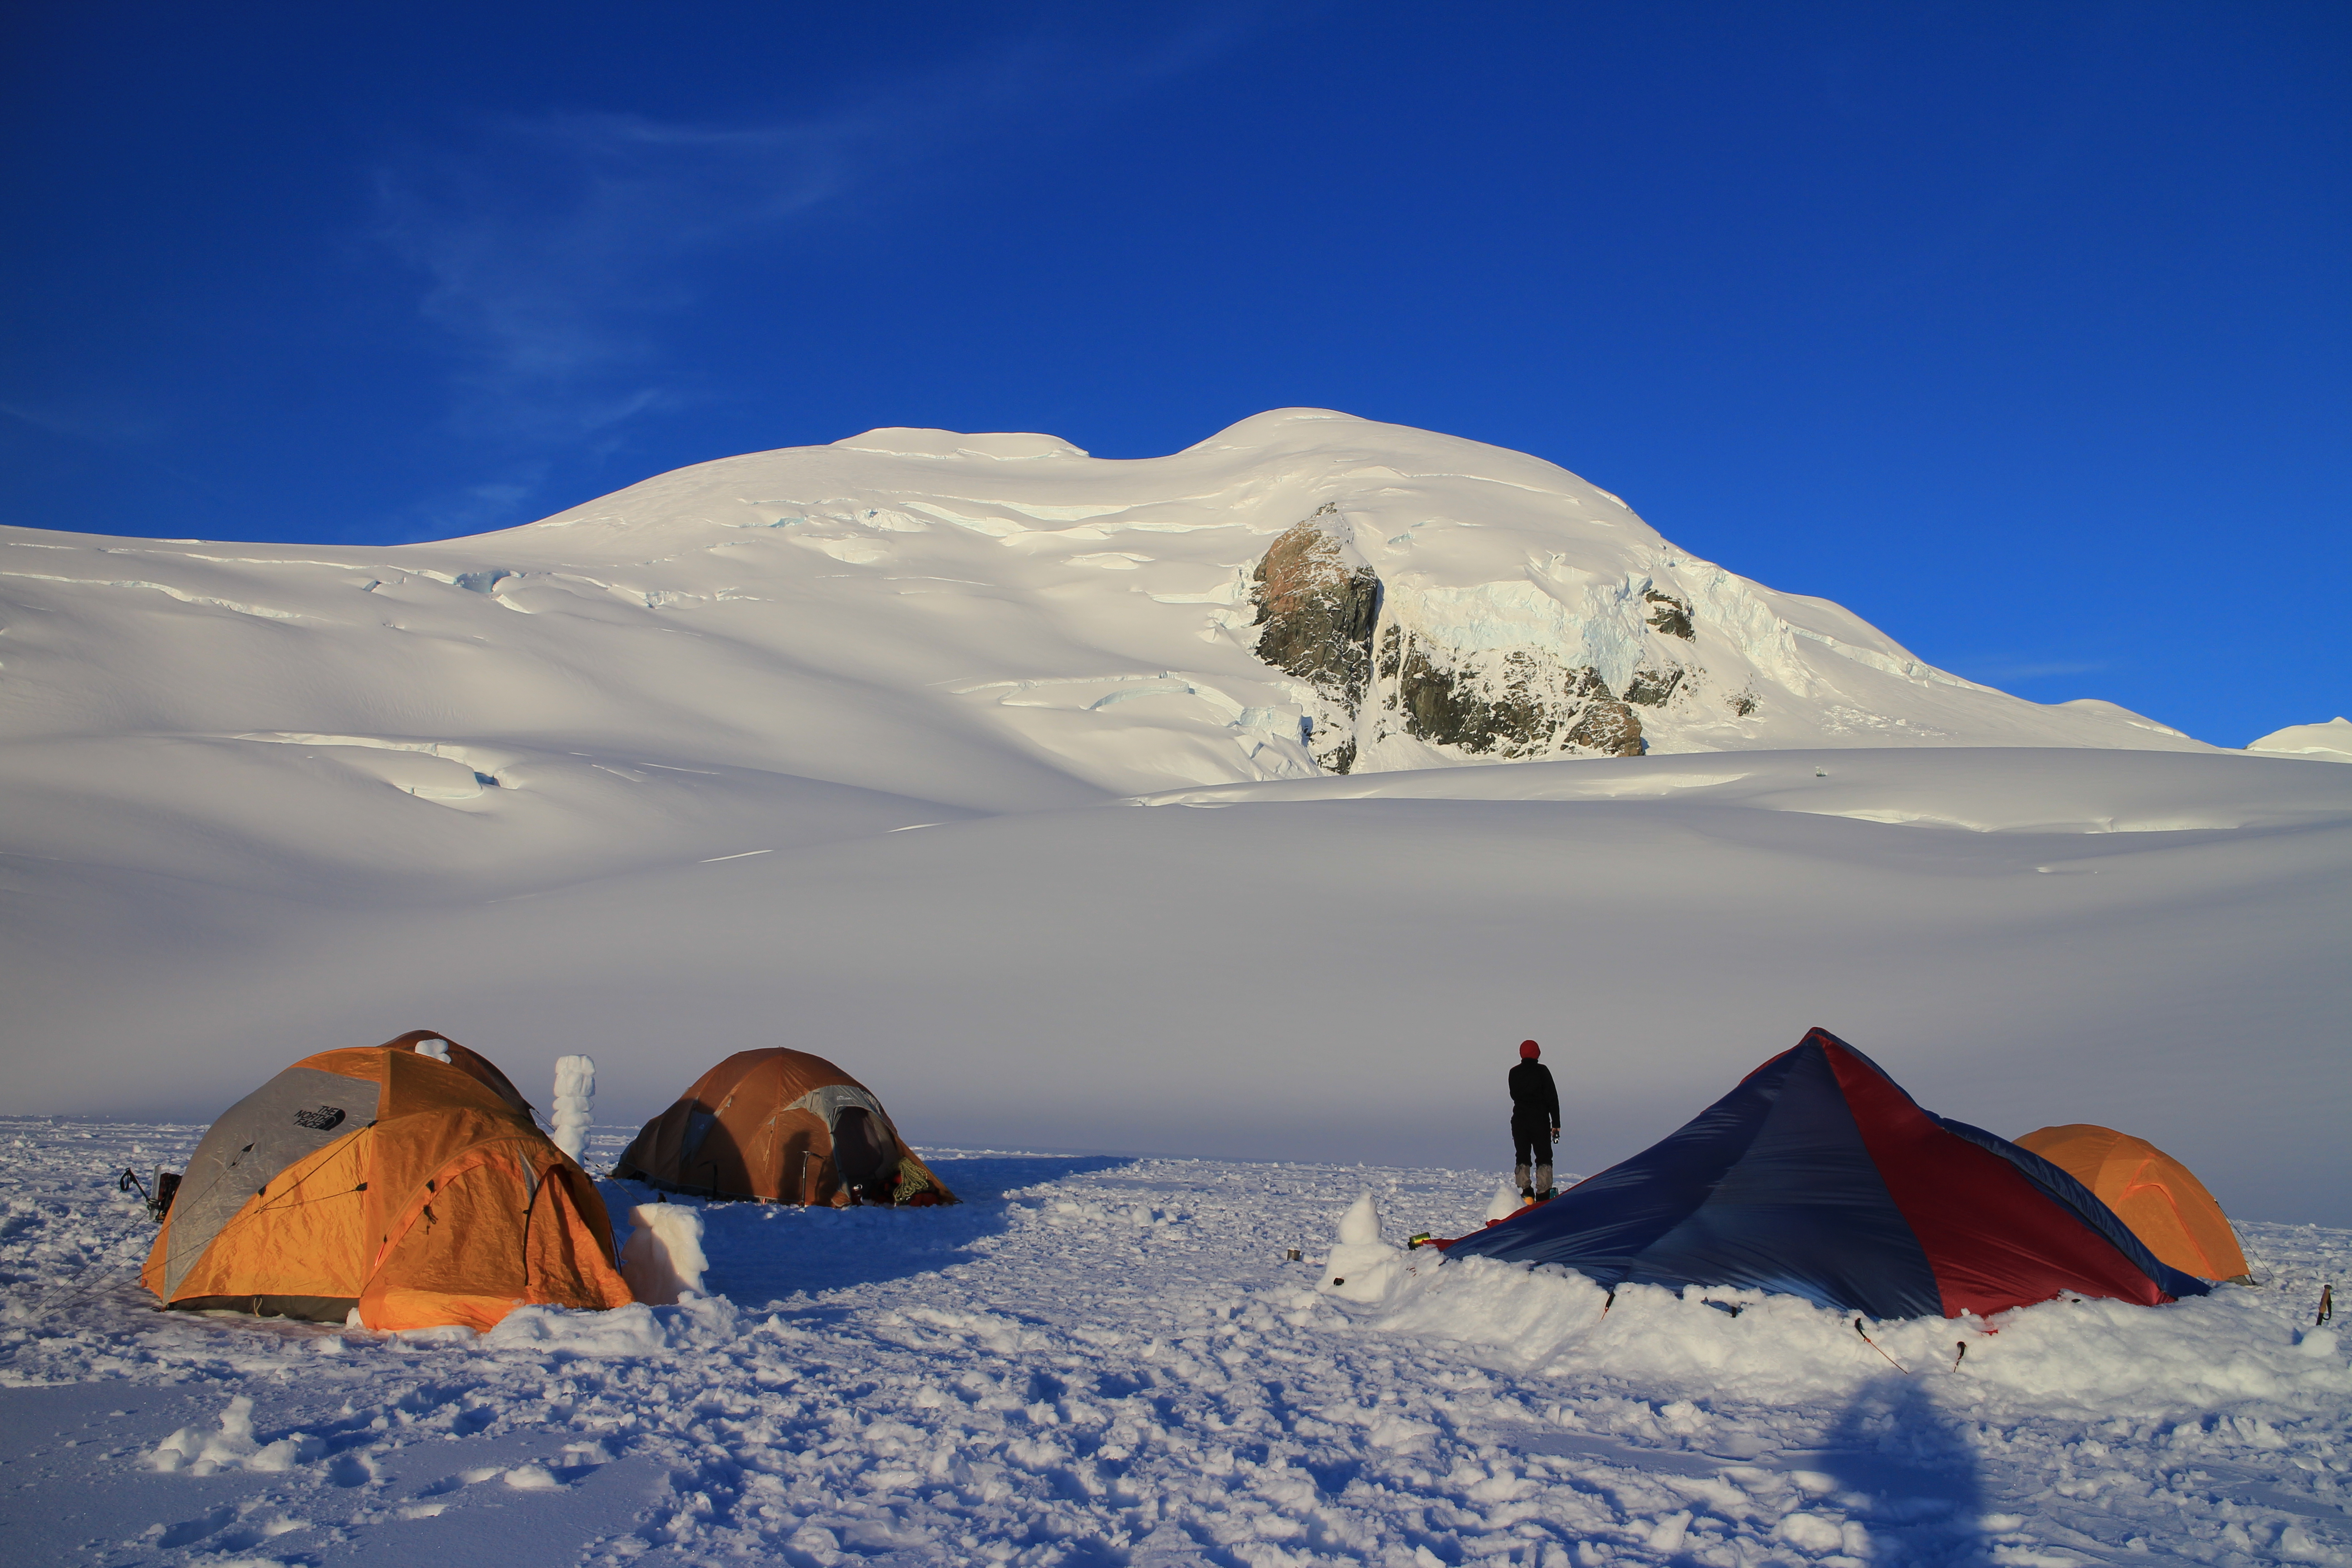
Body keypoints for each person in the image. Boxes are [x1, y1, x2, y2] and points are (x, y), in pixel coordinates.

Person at [1509, 1039, 1560, 1201]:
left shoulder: (1514, 1073)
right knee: (1544, 1157)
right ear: (1537, 1053)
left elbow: (1514, 1095)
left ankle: (1526, 1193)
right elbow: (1552, 1098)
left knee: (1522, 1156)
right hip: (1540, 1120)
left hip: (1519, 1121)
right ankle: (1543, 1194)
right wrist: (1556, 1124)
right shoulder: (1542, 1071)